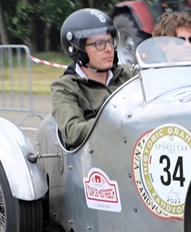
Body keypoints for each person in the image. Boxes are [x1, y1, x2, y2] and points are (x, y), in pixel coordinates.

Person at [51, 9, 133, 148]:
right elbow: (73, 132)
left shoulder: (129, 74)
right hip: (98, 156)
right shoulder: (65, 88)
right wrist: (115, 121)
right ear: (78, 49)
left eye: (110, 41)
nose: (109, 49)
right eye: (99, 44)